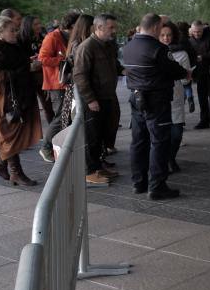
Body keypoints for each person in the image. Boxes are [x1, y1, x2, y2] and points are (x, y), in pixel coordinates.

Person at [123, 14, 188, 200]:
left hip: (135, 98)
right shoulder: (158, 48)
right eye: (161, 27)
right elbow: (175, 70)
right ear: (154, 28)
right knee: (159, 142)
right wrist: (186, 73)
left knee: (138, 141)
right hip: (156, 100)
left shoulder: (128, 47)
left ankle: (138, 182)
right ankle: (157, 186)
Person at [73, 14, 122, 185]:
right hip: (95, 99)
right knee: (92, 136)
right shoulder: (87, 47)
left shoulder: (107, 45)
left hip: (107, 95)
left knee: (103, 133)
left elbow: (115, 65)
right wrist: (90, 99)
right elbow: (79, 75)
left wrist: (124, 70)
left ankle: (98, 166)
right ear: (99, 28)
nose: (114, 31)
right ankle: (90, 171)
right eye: (111, 28)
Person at [0, 16, 40, 186]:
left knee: (17, 133)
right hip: (6, 98)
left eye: (16, 29)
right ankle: (15, 172)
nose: (16, 33)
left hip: (19, 95)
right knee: (11, 134)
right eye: (12, 30)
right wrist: (27, 69)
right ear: (0, 32)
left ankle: (2, 164)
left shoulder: (12, 45)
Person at [37, 11, 80, 163]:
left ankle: (58, 147)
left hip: (65, 83)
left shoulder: (69, 36)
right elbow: (42, 59)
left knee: (65, 116)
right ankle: (46, 147)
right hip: (56, 84)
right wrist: (64, 60)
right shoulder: (52, 37)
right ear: (74, 25)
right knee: (61, 117)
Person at [160, 22, 191, 174]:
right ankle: (162, 160)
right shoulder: (153, 51)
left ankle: (171, 158)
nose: (166, 38)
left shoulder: (181, 54)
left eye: (169, 35)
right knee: (161, 133)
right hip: (159, 97)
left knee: (176, 133)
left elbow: (186, 79)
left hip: (176, 95)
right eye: (162, 35)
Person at [18, 15, 53, 124]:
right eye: (35, 24)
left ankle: (52, 134)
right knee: (31, 108)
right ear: (28, 26)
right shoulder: (21, 40)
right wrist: (30, 60)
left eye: (39, 23)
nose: (39, 26)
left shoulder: (43, 36)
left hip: (45, 74)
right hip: (30, 77)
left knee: (48, 106)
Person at [189, 20, 210, 131]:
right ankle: (204, 120)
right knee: (202, 98)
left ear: (203, 29)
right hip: (199, 72)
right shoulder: (191, 40)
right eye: (194, 32)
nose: (197, 34)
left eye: (199, 32)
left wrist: (204, 56)